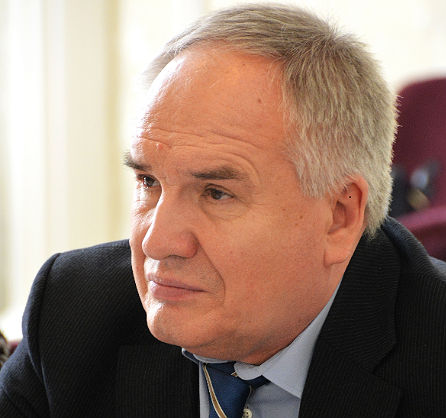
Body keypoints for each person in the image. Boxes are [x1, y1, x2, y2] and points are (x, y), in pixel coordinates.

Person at [1, 3, 445, 417]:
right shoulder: (72, 311)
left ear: (338, 217)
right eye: (149, 182)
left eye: (215, 193)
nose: (156, 241)